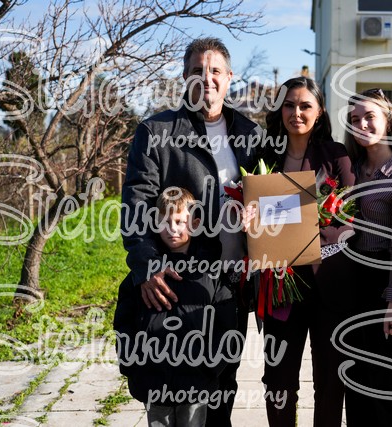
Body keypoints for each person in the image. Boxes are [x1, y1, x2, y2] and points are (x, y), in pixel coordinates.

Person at [121, 37, 262, 427]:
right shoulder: (156, 131)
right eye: (198, 70)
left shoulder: (250, 134)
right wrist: (146, 266)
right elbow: (136, 203)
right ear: (185, 77)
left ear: (229, 77)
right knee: (176, 396)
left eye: (215, 70)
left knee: (223, 387)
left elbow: (269, 195)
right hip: (181, 285)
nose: (207, 78)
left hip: (233, 285)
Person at [259, 76, 356, 427]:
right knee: (278, 380)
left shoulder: (336, 155)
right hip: (280, 285)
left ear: (320, 111)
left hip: (328, 283)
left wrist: (308, 226)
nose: (296, 113)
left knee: (329, 380)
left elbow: (352, 219)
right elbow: (256, 216)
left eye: (305, 106)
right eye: (289, 105)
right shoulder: (264, 155)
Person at [115, 187, 237, 426]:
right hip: (153, 381)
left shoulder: (210, 274)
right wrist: (132, 365)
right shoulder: (142, 277)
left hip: (196, 382)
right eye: (165, 222)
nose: (172, 228)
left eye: (180, 222)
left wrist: (210, 368)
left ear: (195, 224)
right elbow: (124, 323)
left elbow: (226, 325)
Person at [343, 88, 392, 427]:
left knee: (389, 381)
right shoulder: (352, 169)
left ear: (388, 120)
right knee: (358, 377)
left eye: (369, 116)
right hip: (354, 280)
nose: (362, 124)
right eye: (355, 119)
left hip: (386, 281)